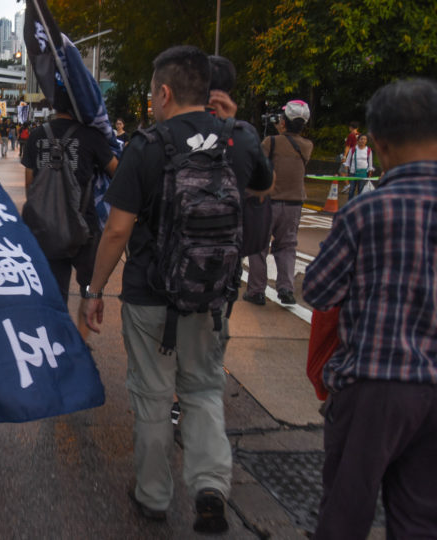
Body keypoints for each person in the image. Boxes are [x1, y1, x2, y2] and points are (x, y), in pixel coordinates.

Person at [81, 45, 272, 533]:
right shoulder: (242, 138)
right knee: (204, 388)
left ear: (164, 92)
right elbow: (261, 191)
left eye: (150, 93)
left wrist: (94, 288)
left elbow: (118, 230)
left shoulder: (147, 145)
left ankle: (153, 496)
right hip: (212, 294)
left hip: (151, 294)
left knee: (151, 396)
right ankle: (210, 486)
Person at [303, 77, 437, 540]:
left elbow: (319, 290)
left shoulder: (365, 212)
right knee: (421, 517)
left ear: (379, 144)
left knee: (346, 509)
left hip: (374, 386)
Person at [22, 92, 119, 340]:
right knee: (89, 289)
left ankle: (56, 345)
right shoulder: (90, 136)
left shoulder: (36, 136)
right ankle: (81, 342)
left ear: (54, 105)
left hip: (46, 230)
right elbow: (117, 173)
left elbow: (30, 186)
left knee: (54, 292)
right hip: (83, 227)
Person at [243, 100, 313, 306]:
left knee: (259, 247)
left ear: (283, 121)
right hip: (294, 204)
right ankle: (286, 288)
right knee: (287, 246)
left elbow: (257, 167)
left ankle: (256, 290)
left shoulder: (270, 142)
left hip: (268, 202)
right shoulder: (307, 146)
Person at [343, 133, 375, 199]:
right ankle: (350, 205)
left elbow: (370, 162)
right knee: (351, 190)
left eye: (365, 139)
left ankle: (359, 205)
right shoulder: (353, 149)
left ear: (366, 141)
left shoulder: (368, 150)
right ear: (358, 140)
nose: (363, 141)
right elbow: (348, 161)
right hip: (353, 173)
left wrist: (370, 171)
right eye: (361, 139)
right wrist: (346, 171)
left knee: (361, 190)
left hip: (363, 174)